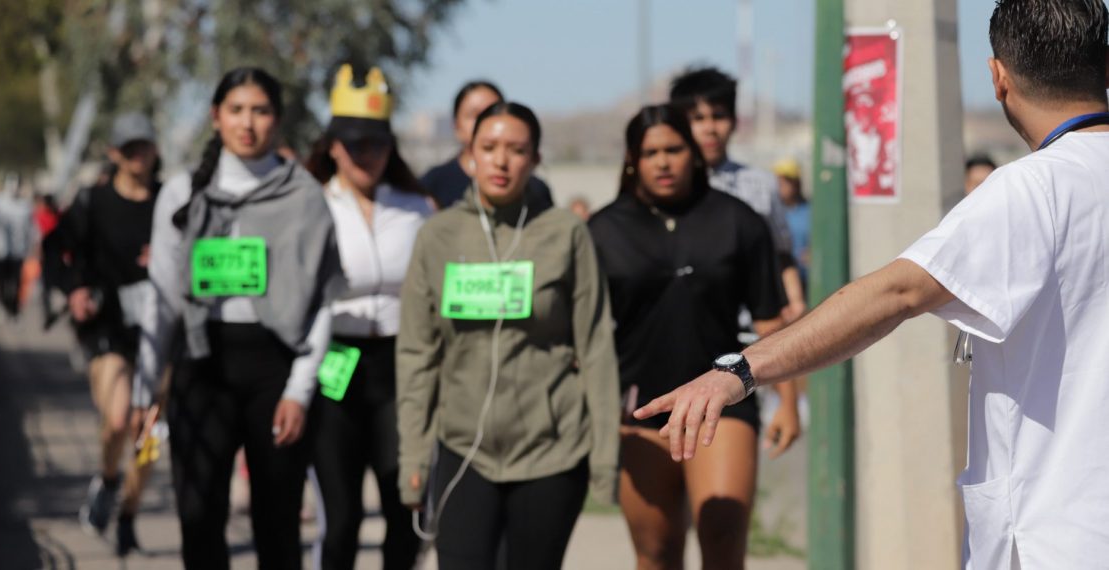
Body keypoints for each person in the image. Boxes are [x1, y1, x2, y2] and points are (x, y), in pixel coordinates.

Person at [636, 2, 1109, 568]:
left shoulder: (1034, 189)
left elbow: (896, 294)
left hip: (1058, 538)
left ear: (998, 77)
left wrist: (738, 371)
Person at [397, 101, 619, 570]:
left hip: (552, 451)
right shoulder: (437, 236)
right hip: (463, 449)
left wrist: (604, 458)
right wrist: (413, 456)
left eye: (517, 150)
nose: (501, 161)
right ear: (469, 155)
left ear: (535, 160)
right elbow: (417, 354)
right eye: (489, 147)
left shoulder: (565, 234)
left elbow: (596, 346)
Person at [134, 67, 340, 569]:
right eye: (236, 110)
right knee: (198, 515)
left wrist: (299, 390)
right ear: (215, 117)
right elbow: (161, 300)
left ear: (278, 119)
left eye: (260, 111)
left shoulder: (304, 195)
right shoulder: (183, 193)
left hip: (276, 369)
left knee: (277, 523)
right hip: (201, 362)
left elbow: (322, 301)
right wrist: (146, 387)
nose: (248, 123)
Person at [589, 105, 800, 570]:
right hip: (640, 407)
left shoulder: (739, 221)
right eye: (650, 153)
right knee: (657, 551)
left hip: (724, 399)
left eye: (674, 149)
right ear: (632, 160)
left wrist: (787, 402)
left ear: (695, 153)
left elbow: (770, 323)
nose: (663, 162)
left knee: (724, 538)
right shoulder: (602, 230)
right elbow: (582, 334)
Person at [303, 64, 432, 570]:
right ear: (333, 146)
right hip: (333, 364)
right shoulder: (312, 204)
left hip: (400, 366)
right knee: (341, 517)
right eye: (354, 144)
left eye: (377, 143)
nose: (367, 154)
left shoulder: (417, 208)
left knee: (405, 504)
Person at [57, 111, 162, 556]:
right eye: (129, 147)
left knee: (147, 433)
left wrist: (167, 257)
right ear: (114, 153)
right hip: (108, 329)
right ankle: (108, 478)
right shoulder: (93, 202)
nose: (138, 155)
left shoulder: (169, 200)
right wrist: (74, 290)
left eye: (144, 145)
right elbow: (56, 249)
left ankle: (129, 514)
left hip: (159, 332)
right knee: (118, 419)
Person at [670, 67, 806, 323]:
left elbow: (781, 253)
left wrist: (795, 303)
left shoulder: (761, 185)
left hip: (750, 329)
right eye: (698, 118)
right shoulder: (669, 188)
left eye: (718, 116)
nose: (710, 128)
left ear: (733, 121)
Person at [420, 80, 554, 210]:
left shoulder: (536, 190)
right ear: (456, 125)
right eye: (474, 115)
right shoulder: (433, 183)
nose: (484, 120)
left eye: (492, 111)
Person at [0, 176, 36, 318]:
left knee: (16, 279)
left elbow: (31, 228)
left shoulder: (24, 206)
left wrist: (33, 244)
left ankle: (14, 306)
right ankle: (2, 303)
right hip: (1, 250)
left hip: (18, 250)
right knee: (1, 279)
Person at [772, 158, 810, 292]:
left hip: (803, 279)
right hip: (777, 280)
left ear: (797, 183)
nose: (781, 185)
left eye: (787, 181)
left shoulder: (810, 211)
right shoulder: (770, 211)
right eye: (779, 181)